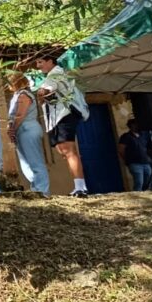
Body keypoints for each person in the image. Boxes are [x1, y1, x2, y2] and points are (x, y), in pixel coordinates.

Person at [35, 54, 90, 198]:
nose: (38, 66)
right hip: (56, 118)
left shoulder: (56, 74)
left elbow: (44, 91)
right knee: (63, 151)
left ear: (50, 61)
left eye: (40, 62)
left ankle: (81, 187)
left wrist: (41, 93)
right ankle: (78, 185)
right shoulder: (54, 75)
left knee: (69, 150)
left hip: (64, 115)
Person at [7, 72, 50, 196]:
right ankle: (36, 187)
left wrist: (12, 128)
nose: (8, 86)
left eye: (10, 83)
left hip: (27, 128)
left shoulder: (24, 95)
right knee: (26, 163)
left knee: (35, 161)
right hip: (21, 130)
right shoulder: (17, 95)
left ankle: (42, 190)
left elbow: (20, 115)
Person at [117, 118, 152, 192]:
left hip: (145, 163)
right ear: (131, 126)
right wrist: (127, 160)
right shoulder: (126, 136)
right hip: (134, 163)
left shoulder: (143, 136)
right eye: (136, 124)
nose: (138, 126)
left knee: (148, 180)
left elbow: (146, 148)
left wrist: (149, 157)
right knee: (139, 182)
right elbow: (121, 149)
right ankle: (137, 197)